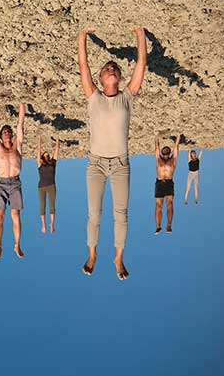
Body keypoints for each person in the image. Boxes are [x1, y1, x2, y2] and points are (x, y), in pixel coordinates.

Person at [77, 26, 147, 280]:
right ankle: (92, 254)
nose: (110, 68)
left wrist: (140, 33)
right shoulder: (93, 97)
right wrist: (81, 37)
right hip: (96, 163)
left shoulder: (127, 97)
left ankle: (118, 257)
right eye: (106, 68)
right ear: (100, 78)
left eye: (114, 68)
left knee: (121, 214)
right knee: (94, 214)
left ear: (118, 77)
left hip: (119, 164)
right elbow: (83, 67)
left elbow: (141, 64)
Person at [0, 103, 25, 259]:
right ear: (0, 136)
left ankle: (17, 244)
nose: (6, 133)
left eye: (8, 131)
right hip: (1, 183)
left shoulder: (17, 146)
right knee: (0, 215)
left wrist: (21, 106)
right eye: (4, 132)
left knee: (15, 214)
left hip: (15, 182)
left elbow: (20, 125)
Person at [155, 134, 181, 234]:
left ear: (169, 152)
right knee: (158, 206)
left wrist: (178, 137)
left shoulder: (172, 160)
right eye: (164, 149)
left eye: (167, 149)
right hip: (159, 183)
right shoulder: (158, 159)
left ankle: (169, 225)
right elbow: (156, 149)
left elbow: (176, 147)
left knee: (169, 204)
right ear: (162, 152)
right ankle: (158, 226)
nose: (165, 150)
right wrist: (157, 138)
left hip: (169, 183)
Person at [36, 136, 59, 233]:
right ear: (42, 157)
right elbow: (38, 151)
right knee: (42, 205)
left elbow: (57, 150)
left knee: (52, 205)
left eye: (48, 155)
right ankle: (43, 225)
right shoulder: (40, 164)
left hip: (51, 186)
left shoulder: (53, 163)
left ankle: (52, 224)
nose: (47, 156)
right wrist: (39, 141)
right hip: (41, 187)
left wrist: (57, 140)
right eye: (45, 155)